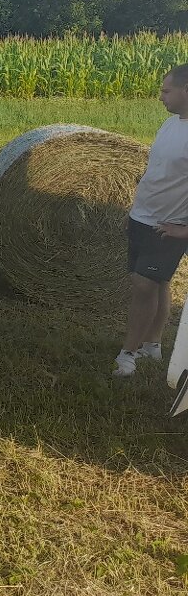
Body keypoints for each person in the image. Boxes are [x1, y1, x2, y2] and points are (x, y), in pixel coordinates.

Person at [114, 63, 188, 378]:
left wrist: (183, 229)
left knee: (143, 285)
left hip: (168, 226)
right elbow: (156, 171)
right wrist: (136, 209)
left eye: (166, 90)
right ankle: (153, 344)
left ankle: (127, 355)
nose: (160, 96)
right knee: (157, 282)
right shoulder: (170, 125)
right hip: (143, 217)